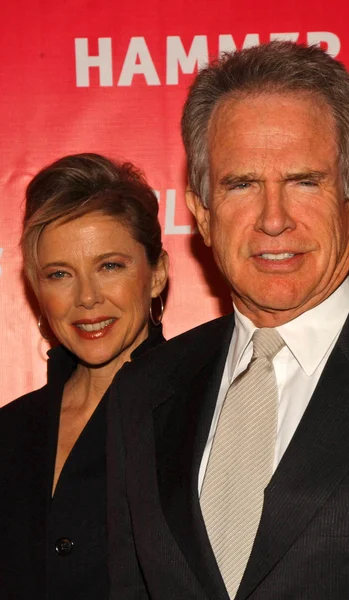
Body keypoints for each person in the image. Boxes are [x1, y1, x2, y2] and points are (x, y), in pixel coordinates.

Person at [107, 41, 349, 599]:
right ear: (202, 215)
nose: (274, 219)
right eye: (242, 185)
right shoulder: (141, 395)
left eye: (304, 181)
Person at [0, 153, 169, 600]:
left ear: (157, 275)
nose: (87, 298)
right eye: (59, 275)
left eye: (109, 266)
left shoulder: (202, 413)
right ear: (37, 290)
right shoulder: (10, 430)